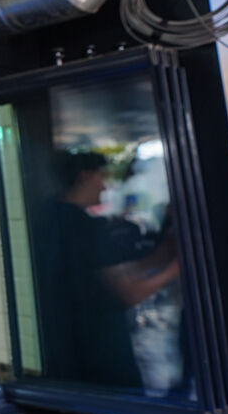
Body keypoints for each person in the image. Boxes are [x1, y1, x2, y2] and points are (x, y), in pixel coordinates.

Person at [36, 152, 180, 389]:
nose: (104, 186)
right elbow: (126, 291)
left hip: (65, 353)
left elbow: (107, 270)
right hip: (100, 355)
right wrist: (175, 269)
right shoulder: (86, 226)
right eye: (101, 177)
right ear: (86, 176)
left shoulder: (49, 216)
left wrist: (159, 258)